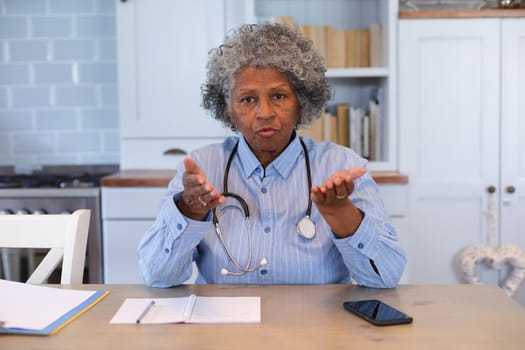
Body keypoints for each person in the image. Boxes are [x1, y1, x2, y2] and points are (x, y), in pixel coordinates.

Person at [138, 23, 406, 288]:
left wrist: (341, 213)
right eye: (247, 99)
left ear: (301, 103)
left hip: (319, 328)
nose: (265, 112)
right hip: (222, 328)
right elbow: (158, 276)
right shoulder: (201, 168)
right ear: (228, 109)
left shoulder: (341, 166)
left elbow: (385, 277)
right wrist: (189, 210)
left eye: (278, 96)